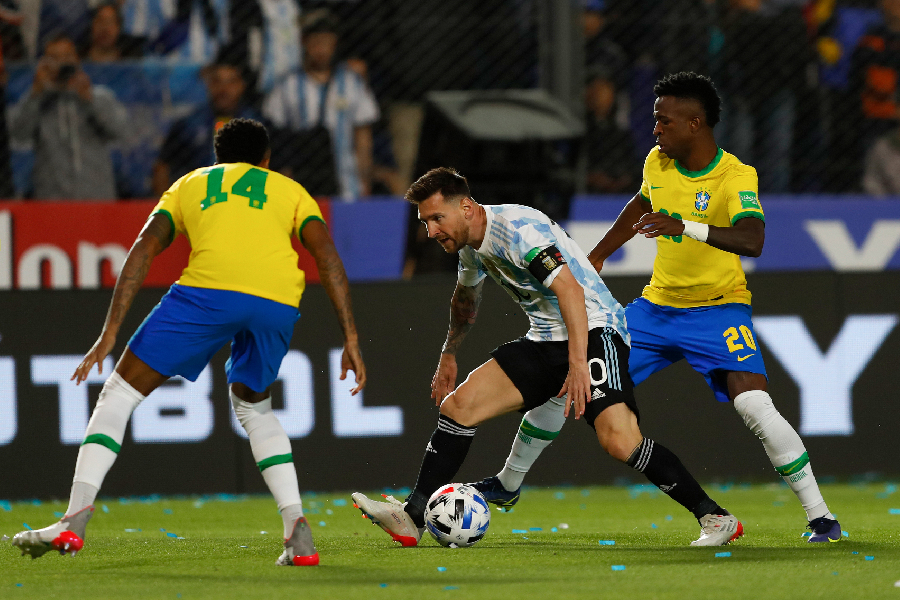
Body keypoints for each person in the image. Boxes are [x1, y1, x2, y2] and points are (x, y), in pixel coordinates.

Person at [471, 72, 842, 544]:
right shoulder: (657, 162)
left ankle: (820, 517)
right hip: (654, 311)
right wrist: (598, 254)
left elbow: (753, 239)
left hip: (718, 310)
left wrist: (684, 225)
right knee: (571, 381)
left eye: (664, 122)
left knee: (754, 404)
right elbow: (641, 204)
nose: (655, 130)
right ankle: (507, 486)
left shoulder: (735, 176)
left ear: (695, 123)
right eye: (655, 121)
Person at [12, 118, 366, 566]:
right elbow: (328, 258)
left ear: (217, 157)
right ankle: (298, 533)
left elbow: (143, 248)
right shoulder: (290, 190)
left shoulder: (190, 184)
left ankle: (74, 519)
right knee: (256, 408)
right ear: (267, 160)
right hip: (276, 300)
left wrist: (109, 333)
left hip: (209, 294)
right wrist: (351, 337)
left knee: (118, 394)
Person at [352, 167, 743, 548]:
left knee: (619, 440)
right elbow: (465, 301)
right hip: (545, 338)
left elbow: (570, 291)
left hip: (595, 328)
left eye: (437, 218)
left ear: (467, 207)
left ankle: (715, 516)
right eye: (425, 222)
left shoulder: (519, 231)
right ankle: (413, 515)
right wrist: (449, 353)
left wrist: (576, 364)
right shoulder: (471, 248)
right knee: (459, 407)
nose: (431, 231)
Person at [262, 9, 378, 200]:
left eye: (327, 42)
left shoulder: (351, 82)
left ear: (335, 44)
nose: (321, 49)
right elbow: (274, 134)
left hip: (346, 183)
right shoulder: (286, 86)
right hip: (298, 180)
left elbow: (363, 136)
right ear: (304, 42)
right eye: (315, 42)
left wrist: (365, 180)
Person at [9, 34, 127, 199]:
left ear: (77, 60)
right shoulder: (38, 101)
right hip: (52, 201)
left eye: (67, 56)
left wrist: (89, 100)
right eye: (55, 58)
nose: (62, 63)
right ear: (44, 63)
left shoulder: (100, 97)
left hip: (97, 199)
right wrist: (36, 94)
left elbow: (121, 132)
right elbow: (18, 135)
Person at [152, 53, 260, 196]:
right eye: (217, 82)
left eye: (231, 82)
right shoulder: (188, 124)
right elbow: (162, 166)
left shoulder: (259, 125)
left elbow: (282, 169)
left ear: (241, 86)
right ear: (208, 84)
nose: (223, 90)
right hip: (197, 201)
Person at [81, 2, 145, 62]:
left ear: (119, 28)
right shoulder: (79, 58)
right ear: (92, 24)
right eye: (100, 21)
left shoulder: (132, 61)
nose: (105, 28)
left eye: (110, 22)